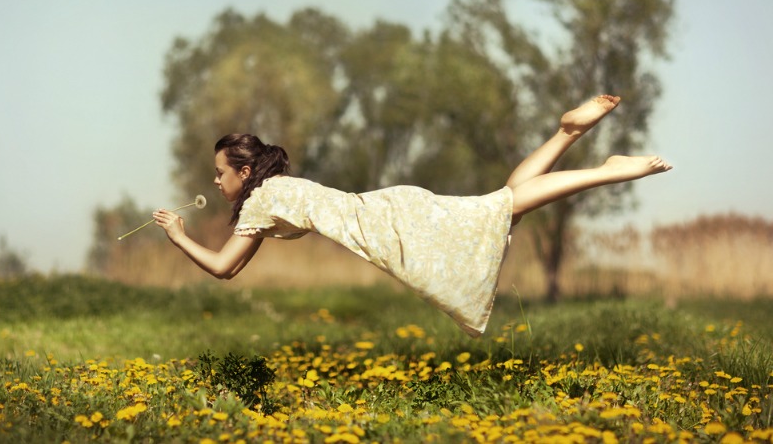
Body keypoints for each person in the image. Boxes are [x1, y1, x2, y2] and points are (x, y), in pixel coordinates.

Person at [153, 95, 671, 336]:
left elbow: (223, 269)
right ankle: (567, 133)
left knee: (504, 207)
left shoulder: (262, 199)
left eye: (219, 173)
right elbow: (237, 266)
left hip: (392, 224)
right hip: (391, 209)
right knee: (502, 208)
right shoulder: (268, 196)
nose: (215, 183)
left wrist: (177, 237)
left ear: (244, 173)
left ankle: (609, 169)